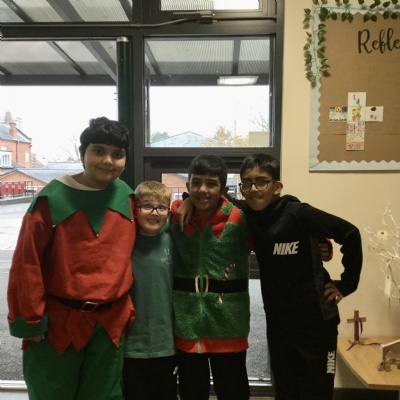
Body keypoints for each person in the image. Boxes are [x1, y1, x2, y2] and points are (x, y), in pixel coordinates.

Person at [7, 117, 136, 400]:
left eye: (117, 154)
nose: (108, 161)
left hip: (109, 325)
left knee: (104, 395)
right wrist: (30, 319)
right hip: (58, 323)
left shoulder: (127, 197)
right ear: (82, 153)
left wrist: (185, 203)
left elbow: (157, 221)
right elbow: (27, 263)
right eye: (98, 151)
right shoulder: (51, 199)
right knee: (52, 393)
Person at [234, 153, 363, 400]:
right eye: (247, 183)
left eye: (261, 181)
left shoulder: (298, 213)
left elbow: (350, 233)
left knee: (317, 393)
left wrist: (347, 284)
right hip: (279, 326)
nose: (253, 189)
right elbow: (214, 199)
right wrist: (183, 203)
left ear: (277, 187)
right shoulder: (248, 214)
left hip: (317, 324)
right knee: (285, 391)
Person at [169, 154, 252, 400]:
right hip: (188, 325)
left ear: (223, 189)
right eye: (196, 183)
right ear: (188, 186)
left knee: (233, 391)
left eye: (211, 184)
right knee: (191, 392)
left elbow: (275, 231)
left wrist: (320, 245)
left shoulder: (239, 219)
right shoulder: (176, 217)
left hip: (229, 325)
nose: (202, 189)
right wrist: (183, 202)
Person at [123, 181, 178, 400]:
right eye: (147, 206)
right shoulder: (125, 244)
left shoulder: (174, 241)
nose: (154, 213)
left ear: (168, 211)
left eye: (161, 207)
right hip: (132, 344)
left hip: (167, 343)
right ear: (135, 210)